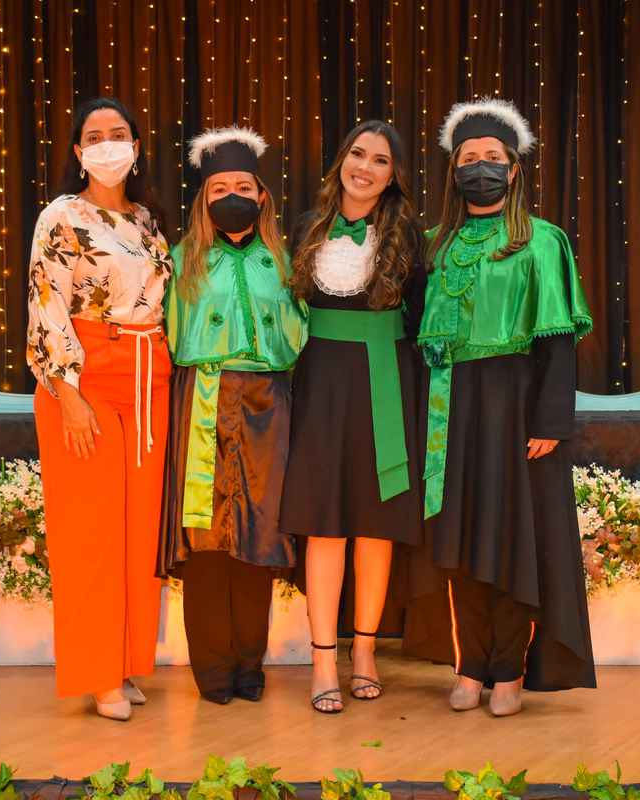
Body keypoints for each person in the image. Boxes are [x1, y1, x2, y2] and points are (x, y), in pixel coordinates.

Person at [406, 97, 596, 717]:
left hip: (516, 404)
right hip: (447, 406)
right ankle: (470, 666)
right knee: (458, 539)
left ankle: (510, 671)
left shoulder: (542, 241)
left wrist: (550, 419)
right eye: (469, 157)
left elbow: (558, 340)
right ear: (454, 170)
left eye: (492, 157)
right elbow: (411, 335)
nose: (480, 167)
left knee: (513, 540)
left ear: (513, 169)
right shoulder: (432, 245)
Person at [26, 97, 172, 721]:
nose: (107, 144)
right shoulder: (62, 215)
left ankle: (127, 662)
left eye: (119, 134)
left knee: (140, 535)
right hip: (88, 377)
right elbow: (47, 303)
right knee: (91, 533)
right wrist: (69, 395)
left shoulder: (147, 219)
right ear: (79, 151)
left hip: (151, 380)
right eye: (95, 136)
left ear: (136, 147)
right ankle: (97, 674)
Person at [278, 121, 426, 714]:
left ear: (394, 176)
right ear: (341, 160)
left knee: (375, 522)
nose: (365, 167)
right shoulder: (304, 227)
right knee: (324, 523)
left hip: (385, 381)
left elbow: (421, 318)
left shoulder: (409, 236)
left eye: (380, 160)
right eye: (357, 154)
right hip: (319, 384)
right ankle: (322, 661)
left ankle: (364, 653)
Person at [158, 126, 307, 705]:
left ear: (262, 195)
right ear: (204, 198)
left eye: (243, 186)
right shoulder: (181, 261)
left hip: (268, 401)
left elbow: (302, 332)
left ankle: (250, 666)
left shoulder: (285, 262)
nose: (232, 196)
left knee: (257, 535)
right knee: (207, 537)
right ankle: (213, 670)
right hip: (202, 396)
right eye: (219, 188)